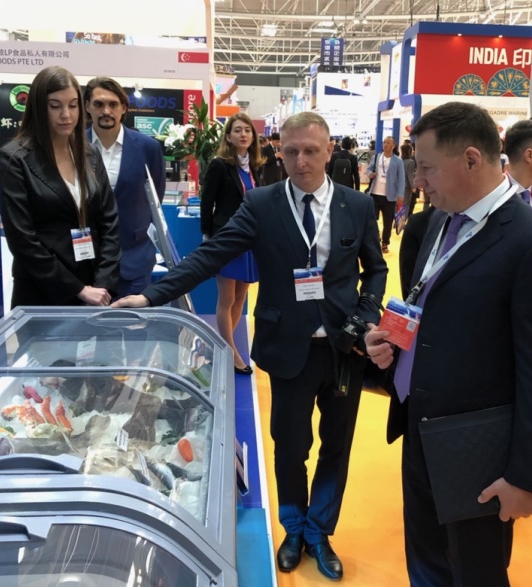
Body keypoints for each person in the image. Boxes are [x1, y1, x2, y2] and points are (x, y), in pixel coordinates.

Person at [113, 112, 388, 581]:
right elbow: (211, 254)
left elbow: (375, 269)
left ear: (329, 151)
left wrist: (365, 316)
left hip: (345, 349)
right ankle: (294, 528)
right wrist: (151, 295)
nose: (301, 161)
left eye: (311, 151)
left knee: (336, 446)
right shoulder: (261, 203)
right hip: (287, 347)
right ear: (279, 151)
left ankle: (320, 531)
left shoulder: (356, 206)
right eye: (291, 151)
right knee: (290, 446)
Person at [364, 102, 532, 587]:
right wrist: (391, 344)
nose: (418, 181)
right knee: (425, 559)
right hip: (419, 425)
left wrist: (527, 476)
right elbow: (430, 305)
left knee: (475, 571)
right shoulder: (439, 221)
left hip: (478, 446)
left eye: (426, 168)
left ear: (472, 160)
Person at [0, 65, 120, 308]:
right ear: (38, 107)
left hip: (94, 289)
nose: (66, 115)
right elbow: (22, 239)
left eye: (73, 105)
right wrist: (78, 290)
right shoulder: (14, 159)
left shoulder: (89, 154)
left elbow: (110, 222)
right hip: (42, 291)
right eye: (55, 106)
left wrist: (103, 282)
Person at [84, 76, 165, 298]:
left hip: (134, 258)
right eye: (99, 104)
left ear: (124, 108)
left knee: (133, 319)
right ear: (87, 107)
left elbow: (155, 198)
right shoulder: (72, 146)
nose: (106, 111)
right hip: (87, 261)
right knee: (90, 320)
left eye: (113, 104)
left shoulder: (148, 148)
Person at [198, 113, 265, 375]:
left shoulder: (255, 165)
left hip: (250, 239)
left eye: (247, 130)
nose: (243, 134)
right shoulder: (220, 165)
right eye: (237, 130)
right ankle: (231, 353)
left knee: (240, 296)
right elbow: (207, 202)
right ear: (228, 136)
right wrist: (207, 236)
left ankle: (223, 347)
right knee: (226, 297)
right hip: (226, 238)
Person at [367, 136, 406, 253]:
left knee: (388, 221)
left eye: (388, 143)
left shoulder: (398, 161)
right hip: (375, 193)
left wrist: (400, 194)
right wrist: (370, 173)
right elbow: (369, 169)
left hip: (390, 196)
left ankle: (385, 242)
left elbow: (401, 179)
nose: (385, 145)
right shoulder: (376, 157)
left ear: (393, 146)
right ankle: (376, 235)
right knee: (371, 218)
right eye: (384, 142)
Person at [401, 143, 418, 219]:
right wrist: (413, 186)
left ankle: (398, 221)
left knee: (399, 205)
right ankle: (402, 221)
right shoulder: (411, 162)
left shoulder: (400, 161)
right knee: (406, 204)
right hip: (407, 187)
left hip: (399, 186)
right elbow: (410, 175)